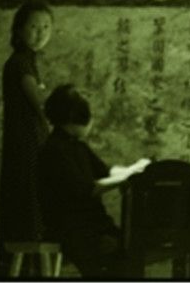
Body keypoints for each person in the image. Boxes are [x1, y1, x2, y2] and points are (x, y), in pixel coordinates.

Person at [38, 84, 150, 280]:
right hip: (71, 227)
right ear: (74, 118)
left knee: (128, 250)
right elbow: (88, 190)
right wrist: (129, 175)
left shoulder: (77, 146)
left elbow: (107, 171)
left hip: (91, 223)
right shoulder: (55, 150)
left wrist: (135, 168)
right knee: (114, 259)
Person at [0, 1, 54, 277]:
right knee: (29, 210)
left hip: (30, 142)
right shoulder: (20, 62)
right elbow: (39, 101)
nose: (40, 33)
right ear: (19, 30)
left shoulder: (28, 60)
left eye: (46, 27)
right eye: (33, 26)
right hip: (26, 146)